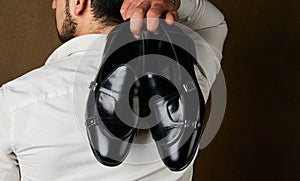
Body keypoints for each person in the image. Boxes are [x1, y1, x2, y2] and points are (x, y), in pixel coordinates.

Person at [0, 0, 227, 180]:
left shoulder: (14, 102)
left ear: (79, 2)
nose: (53, 5)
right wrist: (167, 2)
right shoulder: (192, 75)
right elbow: (213, 24)